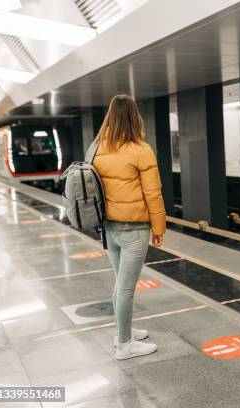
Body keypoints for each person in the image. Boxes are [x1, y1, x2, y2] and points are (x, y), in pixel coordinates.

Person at [93, 95, 166, 360]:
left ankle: (123, 331)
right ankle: (124, 345)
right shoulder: (140, 149)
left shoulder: (97, 148)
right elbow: (153, 194)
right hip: (134, 228)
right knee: (126, 288)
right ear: (135, 117)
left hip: (108, 228)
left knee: (120, 284)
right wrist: (159, 227)